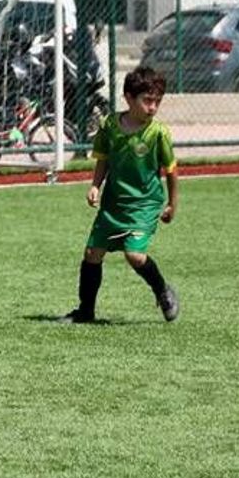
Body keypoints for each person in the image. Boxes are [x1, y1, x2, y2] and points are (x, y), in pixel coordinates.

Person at [60, 66, 180, 324]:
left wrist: (172, 204)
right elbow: (103, 159)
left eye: (157, 101)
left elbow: (171, 170)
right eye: (147, 100)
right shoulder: (109, 126)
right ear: (128, 97)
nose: (153, 107)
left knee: (134, 255)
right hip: (113, 204)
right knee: (92, 253)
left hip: (145, 204)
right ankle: (85, 312)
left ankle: (162, 291)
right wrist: (95, 185)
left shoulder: (158, 133)